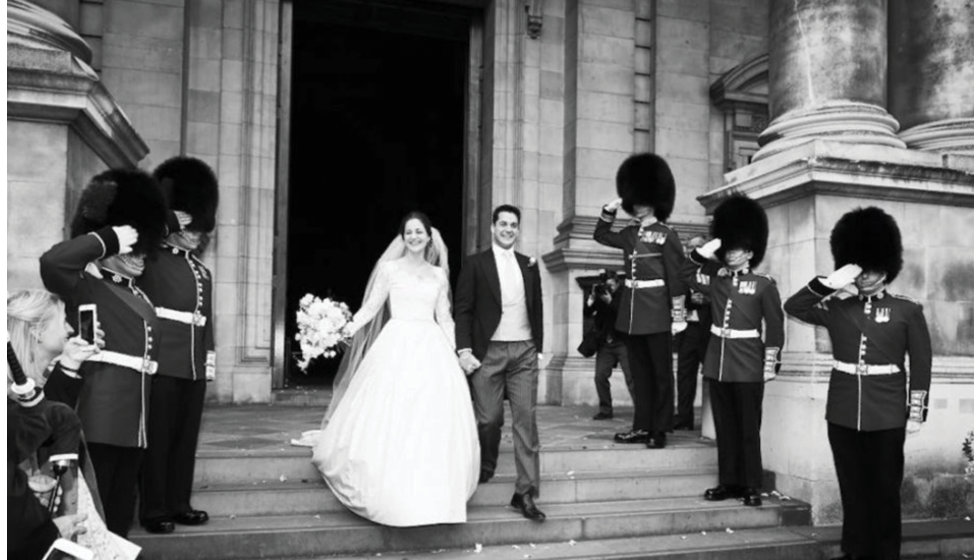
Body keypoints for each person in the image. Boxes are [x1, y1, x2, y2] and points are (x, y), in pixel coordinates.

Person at [311, 211, 479, 527]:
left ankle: (434, 491)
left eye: (419, 231)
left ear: (429, 236)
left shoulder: (438, 275)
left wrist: (459, 351)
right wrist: (344, 328)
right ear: (403, 238)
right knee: (392, 412)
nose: (414, 236)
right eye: (408, 232)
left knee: (430, 417)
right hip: (396, 342)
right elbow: (372, 307)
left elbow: (444, 318)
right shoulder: (390, 269)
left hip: (432, 346)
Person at [784, 206, 931, 560]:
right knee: (852, 490)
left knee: (883, 492)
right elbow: (793, 306)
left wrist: (916, 412)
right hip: (844, 411)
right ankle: (855, 552)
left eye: (870, 269)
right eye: (859, 269)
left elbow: (922, 363)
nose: (864, 276)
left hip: (888, 415)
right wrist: (829, 282)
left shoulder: (906, 310)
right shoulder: (838, 307)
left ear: (886, 269)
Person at [39, 168, 167, 538]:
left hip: (134, 422)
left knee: (120, 511)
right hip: (99, 416)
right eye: (134, 249)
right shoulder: (84, 284)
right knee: (94, 510)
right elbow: (52, 262)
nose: (141, 256)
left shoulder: (138, 293)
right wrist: (108, 237)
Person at [682, 194, 784, 508]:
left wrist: (770, 363)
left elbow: (775, 327)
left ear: (750, 252)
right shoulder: (718, 282)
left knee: (748, 428)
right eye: (728, 248)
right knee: (725, 428)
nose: (730, 254)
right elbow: (684, 275)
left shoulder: (764, 285)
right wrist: (702, 253)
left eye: (736, 249)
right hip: (719, 363)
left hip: (749, 363)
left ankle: (752, 485)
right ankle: (729, 482)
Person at [137, 156, 219, 534]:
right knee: (158, 439)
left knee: (185, 439)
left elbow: (207, 323)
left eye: (200, 227)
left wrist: (207, 364)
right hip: (160, 362)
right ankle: (154, 509)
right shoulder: (149, 259)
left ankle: (179, 502)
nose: (196, 234)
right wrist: (165, 218)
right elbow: (130, 232)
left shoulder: (202, 271)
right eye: (191, 225)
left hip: (192, 366)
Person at [455, 204, 546, 521]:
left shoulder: (529, 265)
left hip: (523, 351)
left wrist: (540, 347)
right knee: (489, 419)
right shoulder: (475, 264)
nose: (509, 229)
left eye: (514, 225)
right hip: (488, 353)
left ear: (518, 230)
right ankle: (487, 463)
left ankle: (525, 492)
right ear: (493, 227)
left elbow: (537, 307)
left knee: (526, 421)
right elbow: (463, 310)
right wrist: (464, 349)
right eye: (503, 224)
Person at [593, 153, 686, 449]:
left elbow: (676, 278)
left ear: (656, 200)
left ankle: (659, 429)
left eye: (645, 198)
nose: (640, 204)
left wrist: (678, 314)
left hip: (657, 312)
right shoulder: (629, 233)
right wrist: (609, 210)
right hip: (632, 314)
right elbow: (600, 235)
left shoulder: (667, 235)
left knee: (660, 375)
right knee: (640, 375)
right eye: (636, 198)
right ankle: (641, 427)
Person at [7, 289, 102, 406]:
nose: (70, 329)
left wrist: (73, 361)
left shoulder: (49, 381)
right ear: (38, 332)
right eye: (64, 322)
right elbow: (47, 420)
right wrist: (69, 364)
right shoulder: (10, 397)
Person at [674, 235, 712, 430]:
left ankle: (713, 419)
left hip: (708, 330)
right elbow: (675, 295)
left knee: (712, 375)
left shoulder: (715, 269)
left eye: (697, 247)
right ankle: (684, 417)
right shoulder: (682, 270)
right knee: (684, 374)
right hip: (687, 329)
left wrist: (706, 299)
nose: (692, 251)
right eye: (689, 247)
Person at [584, 269, 634, 420]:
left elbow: (624, 313)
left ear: (617, 283)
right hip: (606, 342)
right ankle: (605, 409)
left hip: (623, 342)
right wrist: (591, 300)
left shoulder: (625, 293)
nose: (608, 288)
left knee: (631, 378)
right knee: (600, 376)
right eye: (606, 285)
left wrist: (610, 301)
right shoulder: (601, 295)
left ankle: (642, 410)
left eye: (611, 285)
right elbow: (587, 314)